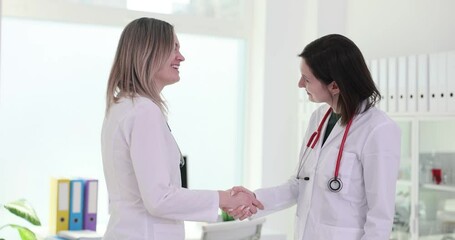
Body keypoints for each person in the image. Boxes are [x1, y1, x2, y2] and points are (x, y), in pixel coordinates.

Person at [101, 17, 263, 240]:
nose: (181, 57)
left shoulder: (123, 106)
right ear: (149, 51)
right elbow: (160, 199)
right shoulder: (143, 111)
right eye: (173, 48)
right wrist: (223, 199)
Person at [228, 34, 401, 240]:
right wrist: (255, 199)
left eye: (307, 78)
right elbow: (300, 184)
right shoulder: (319, 118)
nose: (300, 84)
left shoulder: (378, 129)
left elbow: (380, 217)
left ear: (335, 86)